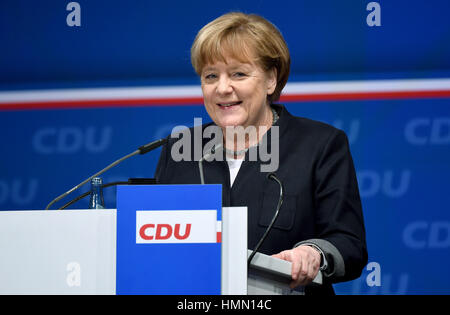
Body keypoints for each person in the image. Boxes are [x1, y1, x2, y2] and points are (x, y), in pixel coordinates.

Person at [155, 12, 368, 295]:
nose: (222, 88)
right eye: (210, 76)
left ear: (271, 80)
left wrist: (313, 253)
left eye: (238, 74)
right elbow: (154, 242)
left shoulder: (320, 144)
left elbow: (349, 243)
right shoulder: (179, 148)